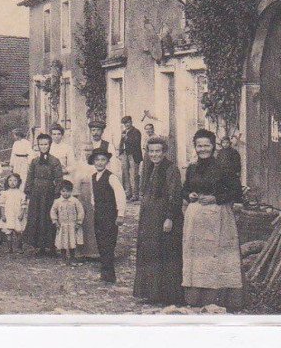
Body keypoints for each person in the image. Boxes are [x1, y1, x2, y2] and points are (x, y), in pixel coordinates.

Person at [182, 128, 244, 311]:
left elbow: (236, 191)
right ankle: (197, 297)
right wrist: (189, 194)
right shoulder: (192, 168)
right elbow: (184, 189)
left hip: (218, 218)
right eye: (199, 146)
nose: (202, 149)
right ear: (195, 147)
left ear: (213, 146)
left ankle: (220, 297)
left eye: (206, 145)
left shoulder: (223, 167)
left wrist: (215, 198)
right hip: (196, 221)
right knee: (198, 258)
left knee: (216, 257)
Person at [133, 135, 184, 305]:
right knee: (150, 251)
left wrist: (169, 218)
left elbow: (174, 195)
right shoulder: (149, 167)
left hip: (163, 216)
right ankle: (151, 292)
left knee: (163, 252)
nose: (154, 154)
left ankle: (164, 294)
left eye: (158, 151)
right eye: (151, 151)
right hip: (149, 217)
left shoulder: (171, 169)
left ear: (164, 152)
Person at [89, 148, 127, 283]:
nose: (100, 163)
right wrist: (95, 207)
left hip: (110, 215)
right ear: (93, 161)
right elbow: (93, 196)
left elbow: (120, 195)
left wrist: (120, 214)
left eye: (103, 160)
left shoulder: (111, 177)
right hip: (99, 214)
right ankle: (104, 273)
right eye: (97, 160)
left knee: (108, 244)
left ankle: (109, 275)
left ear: (107, 162)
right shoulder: (93, 177)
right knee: (100, 242)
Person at [23, 133, 63, 255]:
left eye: (46, 144)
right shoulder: (34, 161)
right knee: (36, 217)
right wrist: (28, 191)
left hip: (49, 192)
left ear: (50, 145)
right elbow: (29, 177)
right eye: (41, 144)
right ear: (38, 146)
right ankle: (39, 246)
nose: (43, 147)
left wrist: (57, 193)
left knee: (48, 217)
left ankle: (50, 246)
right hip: (36, 192)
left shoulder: (55, 161)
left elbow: (59, 178)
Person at [50, 180, 84, 264]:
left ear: (71, 191)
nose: (65, 193)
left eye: (68, 191)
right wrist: (55, 221)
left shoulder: (75, 201)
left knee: (72, 241)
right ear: (60, 191)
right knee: (62, 241)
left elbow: (81, 211)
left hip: (73, 225)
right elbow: (53, 211)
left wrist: (79, 222)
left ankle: (72, 258)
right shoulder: (57, 201)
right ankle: (63, 258)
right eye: (63, 191)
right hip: (62, 225)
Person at [0, 172, 27, 253]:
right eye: (10, 180)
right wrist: (3, 215)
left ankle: (19, 248)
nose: (12, 182)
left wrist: (21, 214)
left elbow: (24, 205)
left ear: (18, 182)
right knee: (8, 232)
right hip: (8, 215)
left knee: (18, 232)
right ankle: (9, 248)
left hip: (17, 215)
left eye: (15, 180)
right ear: (7, 182)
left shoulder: (21, 193)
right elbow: (2, 205)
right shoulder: (5, 193)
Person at [118, 115, 143, 201]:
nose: (126, 125)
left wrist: (126, 138)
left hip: (134, 155)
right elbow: (121, 143)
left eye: (128, 122)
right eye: (125, 123)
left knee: (134, 175)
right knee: (125, 174)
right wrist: (120, 152)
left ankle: (135, 195)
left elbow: (136, 143)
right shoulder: (124, 132)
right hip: (125, 154)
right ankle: (128, 193)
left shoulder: (136, 132)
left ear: (131, 122)